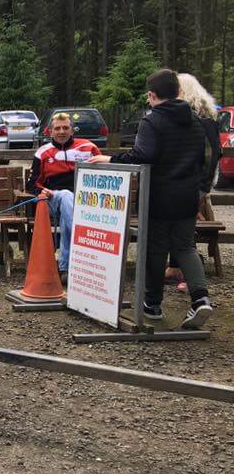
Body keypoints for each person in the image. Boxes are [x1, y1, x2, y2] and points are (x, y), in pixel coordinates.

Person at [88, 68, 212, 329]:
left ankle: (152, 303)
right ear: (178, 92)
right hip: (187, 196)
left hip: (158, 196)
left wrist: (109, 159)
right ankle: (201, 299)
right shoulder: (195, 120)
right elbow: (202, 160)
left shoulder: (152, 121)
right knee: (185, 247)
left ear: (152, 94)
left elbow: (143, 155)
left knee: (155, 249)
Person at [26, 112, 102, 282]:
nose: (62, 132)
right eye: (58, 128)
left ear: (72, 130)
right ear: (50, 131)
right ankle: (71, 265)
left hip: (86, 200)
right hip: (54, 198)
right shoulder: (43, 152)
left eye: (65, 128)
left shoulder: (89, 147)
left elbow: (103, 175)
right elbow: (31, 184)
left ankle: (65, 267)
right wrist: (41, 192)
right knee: (67, 197)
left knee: (70, 210)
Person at [165, 73, 222, 291]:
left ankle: (192, 280)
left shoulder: (201, 118)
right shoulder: (196, 116)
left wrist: (202, 187)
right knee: (177, 227)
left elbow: (211, 154)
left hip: (194, 184)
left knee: (184, 232)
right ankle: (175, 267)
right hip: (188, 183)